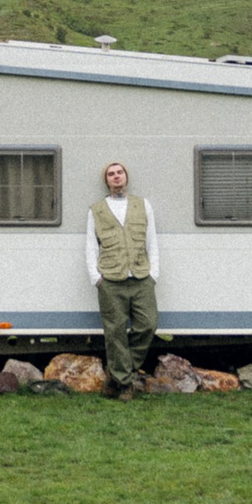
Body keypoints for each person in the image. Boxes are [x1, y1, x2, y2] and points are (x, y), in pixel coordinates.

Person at [85, 159, 160, 397]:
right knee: (115, 333)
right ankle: (125, 385)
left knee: (148, 324)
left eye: (120, 172)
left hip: (140, 277)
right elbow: (90, 246)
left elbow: (152, 241)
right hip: (110, 280)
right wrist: (96, 278)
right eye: (111, 174)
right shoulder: (96, 209)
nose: (116, 176)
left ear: (126, 177)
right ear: (106, 181)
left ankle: (118, 375)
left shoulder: (142, 205)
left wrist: (153, 275)